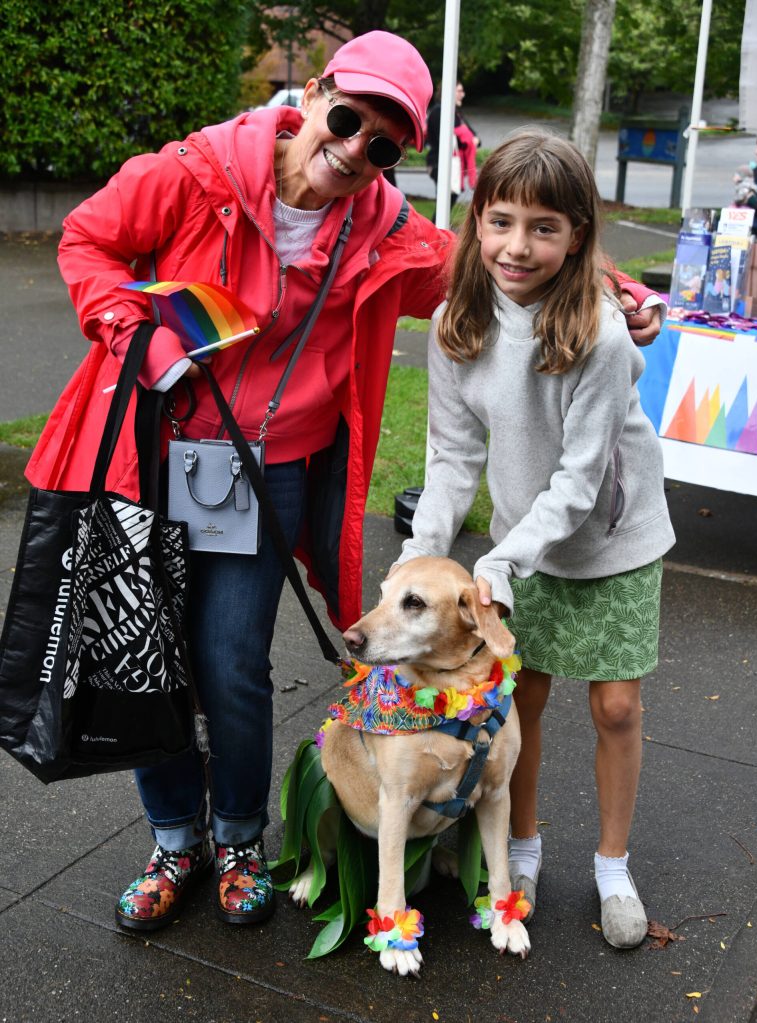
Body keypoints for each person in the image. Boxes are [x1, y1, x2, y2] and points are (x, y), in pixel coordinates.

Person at [26, 35, 662, 934]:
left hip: (269, 471)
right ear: (316, 90)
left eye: (383, 146)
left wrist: (622, 293)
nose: (355, 147)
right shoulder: (196, 172)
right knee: (150, 661)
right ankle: (176, 839)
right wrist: (134, 330)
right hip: (153, 455)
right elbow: (88, 239)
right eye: (348, 117)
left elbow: (491, 250)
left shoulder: (380, 227)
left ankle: (239, 837)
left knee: (232, 663)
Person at [393, 129, 675, 950]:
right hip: (520, 541)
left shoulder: (601, 332)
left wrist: (499, 559)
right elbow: (450, 459)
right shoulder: (455, 323)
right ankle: (519, 847)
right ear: (475, 220)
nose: (518, 245)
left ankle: (612, 865)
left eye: (544, 226)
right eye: (502, 220)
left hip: (611, 538)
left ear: (577, 235)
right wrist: (422, 557)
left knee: (616, 705)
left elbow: (582, 481)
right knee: (524, 699)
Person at [426, 82, 481, 208]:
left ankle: (437, 227)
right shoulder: (439, 112)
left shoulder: (455, 113)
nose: (463, 94)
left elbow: (473, 135)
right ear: (449, 92)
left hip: (451, 164)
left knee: (448, 202)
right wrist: (468, 141)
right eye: (459, 91)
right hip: (440, 163)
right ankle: (437, 227)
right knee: (444, 205)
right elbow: (445, 140)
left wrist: (471, 140)